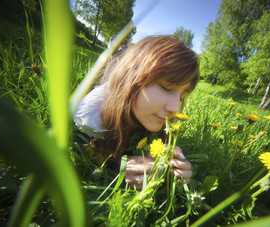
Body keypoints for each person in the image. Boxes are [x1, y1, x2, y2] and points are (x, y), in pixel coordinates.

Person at [74, 35, 199, 189]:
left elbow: (162, 145)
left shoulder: (160, 113)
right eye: (166, 87)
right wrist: (118, 164)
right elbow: (89, 152)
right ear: (133, 78)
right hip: (117, 84)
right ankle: (119, 50)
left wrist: (171, 163)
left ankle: (122, 50)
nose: (175, 108)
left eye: (182, 97)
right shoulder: (91, 113)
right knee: (115, 61)